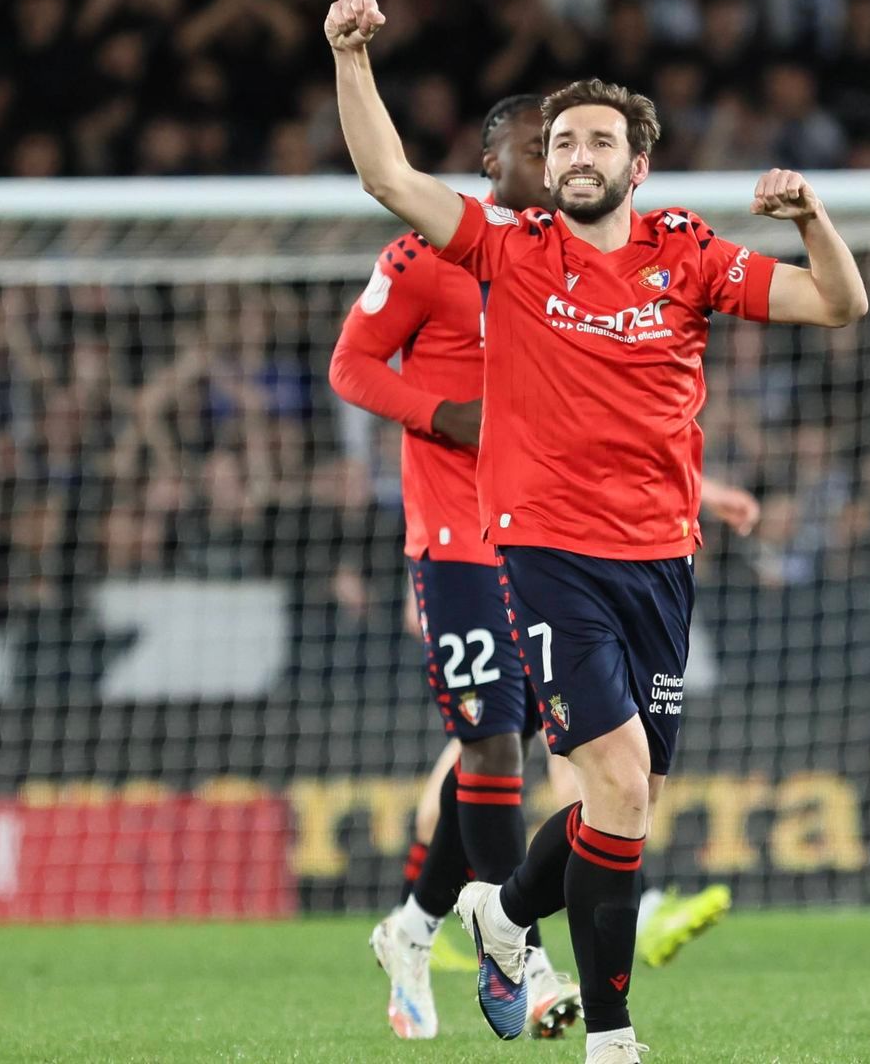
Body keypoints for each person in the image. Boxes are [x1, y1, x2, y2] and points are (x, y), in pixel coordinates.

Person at [324, 0, 869, 1061]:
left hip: (661, 558)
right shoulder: (509, 249)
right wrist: (351, 58)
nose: (575, 156)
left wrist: (812, 219)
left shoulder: (688, 255)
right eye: (562, 141)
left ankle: (501, 912)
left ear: (637, 165)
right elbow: (389, 177)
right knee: (599, 775)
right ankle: (611, 1037)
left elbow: (839, 304)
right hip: (542, 549)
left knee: (629, 806)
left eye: (598, 142)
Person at [331, 93, 582, 1041]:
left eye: (563, 147)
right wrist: (443, 416)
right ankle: (524, 956)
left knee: (504, 743)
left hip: (545, 535)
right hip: (456, 536)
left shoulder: (571, 262)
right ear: (490, 163)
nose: (555, 162)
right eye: (537, 147)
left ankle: (412, 926)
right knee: (490, 745)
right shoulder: (425, 253)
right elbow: (351, 366)